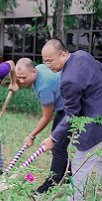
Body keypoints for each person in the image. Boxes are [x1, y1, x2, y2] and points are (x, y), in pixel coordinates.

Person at [39, 38, 102, 201]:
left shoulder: (68, 80)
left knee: (79, 166)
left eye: (50, 61)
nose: (48, 65)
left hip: (99, 125)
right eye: (45, 61)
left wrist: (53, 137)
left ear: (63, 54)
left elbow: (71, 115)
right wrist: (97, 94)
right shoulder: (82, 55)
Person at [15, 58, 70, 193]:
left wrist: (31, 136)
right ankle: (69, 176)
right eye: (19, 78)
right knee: (59, 146)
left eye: (24, 77)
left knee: (57, 146)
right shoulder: (40, 68)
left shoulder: (44, 88)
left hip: (70, 109)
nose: (22, 81)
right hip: (63, 106)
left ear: (34, 71)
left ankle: (50, 185)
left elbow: (47, 117)